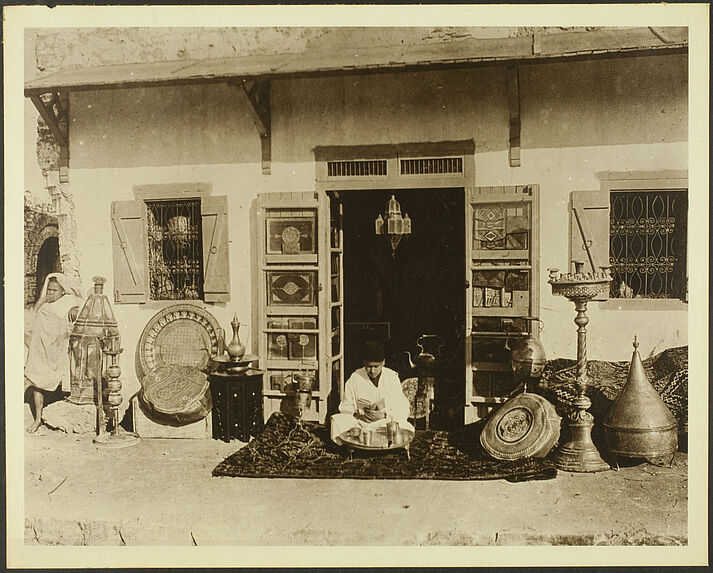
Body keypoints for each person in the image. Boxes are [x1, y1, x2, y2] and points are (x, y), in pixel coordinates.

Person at [24, 273, 82, 433]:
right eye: (48, 290)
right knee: (37, 383)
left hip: (58, 351)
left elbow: (77, 314)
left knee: (63, 381)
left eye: (54, 291)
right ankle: (37, 419)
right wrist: (41, 301)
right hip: (41, 350)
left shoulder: (68, 304)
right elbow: (30, 324)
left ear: (63, 292)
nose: (50, 293)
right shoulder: (44, 306)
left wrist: (75, 309)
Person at [330, 339, 414, 444]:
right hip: (361, 423)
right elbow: (346, 407)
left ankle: (368, 442)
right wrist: (360, 416)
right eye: (368, 366)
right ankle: (355, 444)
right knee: (336, 421)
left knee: (405, 426)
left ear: (383, 362)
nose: (372, 371)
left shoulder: (392, 377)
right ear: (364, 362)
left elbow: (402, 407)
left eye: (376, 366)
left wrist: (384, 415)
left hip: (384, 422)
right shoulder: (355, 377)